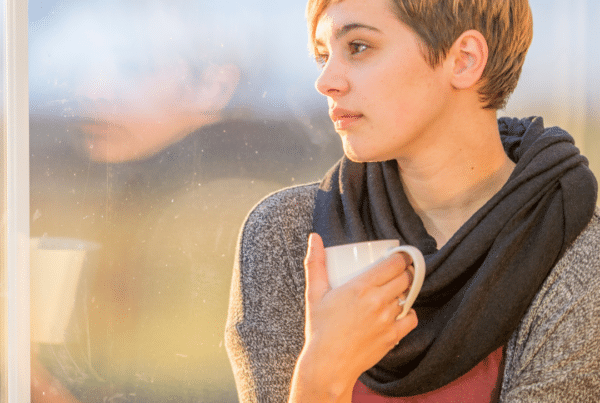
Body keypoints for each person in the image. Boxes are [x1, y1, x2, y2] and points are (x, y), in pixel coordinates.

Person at [225, 0, 600, 402]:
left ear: (463, 60)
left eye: (358, 47)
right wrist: (321, 376)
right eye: (323, 56)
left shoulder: (576, 246)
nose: (326, 81)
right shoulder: (287, 236)